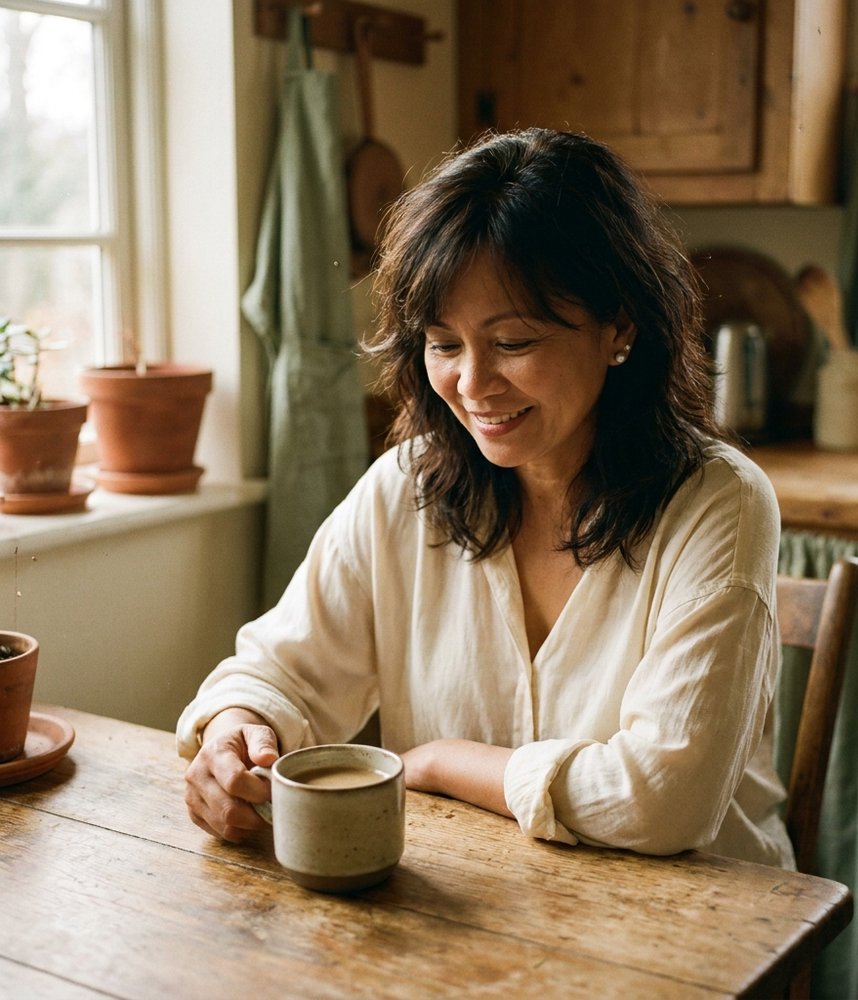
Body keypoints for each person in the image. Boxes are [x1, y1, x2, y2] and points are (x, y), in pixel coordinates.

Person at [178, 127, 795, 870]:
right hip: (473, 915)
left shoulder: (719, 504)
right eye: (444, 344)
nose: (472, 384)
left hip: (700, 935)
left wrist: (440, 762)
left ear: (619, 326)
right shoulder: (404, 490)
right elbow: (282, 672)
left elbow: (662, 797)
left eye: (513, 342)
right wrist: (234, 732)